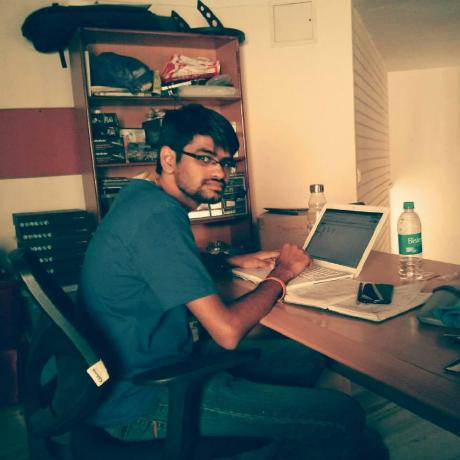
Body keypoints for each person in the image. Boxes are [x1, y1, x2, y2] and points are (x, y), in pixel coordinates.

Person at [78, 104, 388, 459]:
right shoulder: (159, 217)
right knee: (343, 415)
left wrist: (231, 261)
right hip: (145, 400)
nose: (220, 173)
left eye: (226, 163)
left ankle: (278, 434)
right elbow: (227, 332)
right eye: (205, 158)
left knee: (307, 356)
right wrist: (282, 273)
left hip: (146, 371)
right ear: (168, 158)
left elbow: (156, 264)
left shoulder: (139, 196)